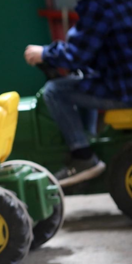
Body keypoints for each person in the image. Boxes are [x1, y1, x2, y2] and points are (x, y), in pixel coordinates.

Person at [24, 0, 132, 187]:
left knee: (54, 91)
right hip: (123, 80)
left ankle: (83, 155)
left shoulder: (98, 5)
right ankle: (88, 138)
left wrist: (44, 53)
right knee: (84, 78)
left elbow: (76, 55)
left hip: (124, 90)